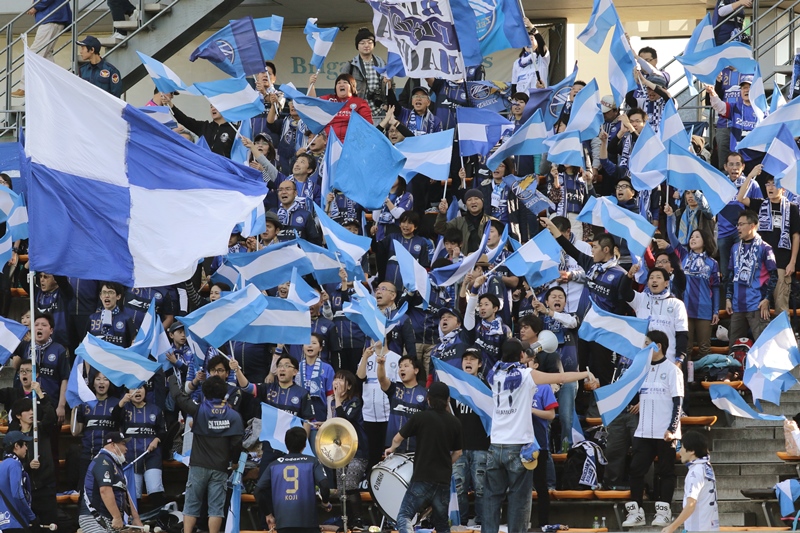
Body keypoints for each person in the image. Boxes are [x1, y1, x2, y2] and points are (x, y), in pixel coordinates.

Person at [482, 338, 596, 533]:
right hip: (519, 446)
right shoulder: (526, 375)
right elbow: (560, 377)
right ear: (521, 355)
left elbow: (513, 363)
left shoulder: (494, 374)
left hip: (496, 444)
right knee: (519, 500)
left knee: (491, 498)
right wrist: (585, 373)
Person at [622, 330, 683, 528]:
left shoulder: (673, 370)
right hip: (643, 431)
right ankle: (636, 512)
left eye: (647, 343)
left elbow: (678, 402)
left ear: (658, 346)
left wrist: (672, 428)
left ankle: (664, 512)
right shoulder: (642, 369)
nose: (643, 347)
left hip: (665, 432)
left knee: (665, 471)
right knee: (635, 469)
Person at [170, 376, 244, 533]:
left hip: (198, 465)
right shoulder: (233, 415)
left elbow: (178, 396)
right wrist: (234, 461)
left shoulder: (199, 410)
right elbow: (237, 443)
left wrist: (171, 378)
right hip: (220, 467)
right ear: (224, 392)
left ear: (205, 391)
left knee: (191, 504)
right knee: (216, 508)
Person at [386, 382, 462, 533]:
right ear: (448, 400)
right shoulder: (455, 422)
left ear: (428, 398)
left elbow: (397, 438)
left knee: (404, 516)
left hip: (422, 477)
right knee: (442, 524)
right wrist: (445, 464)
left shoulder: (420, 417)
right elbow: (458, 452)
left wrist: (391, 449)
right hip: (443, 481)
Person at [740, 170, 800, 315]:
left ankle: (783, 330)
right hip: (760, 262)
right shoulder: (761, 205)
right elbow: (740, 198)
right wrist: (750, 176)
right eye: (768, 184)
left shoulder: (791, 208)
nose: (770, 187)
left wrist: (792, 262)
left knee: (781, 306)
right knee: (760, 305)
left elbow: (796, 236)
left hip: (782, 262)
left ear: (783, 189)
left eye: (775, 184)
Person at [259, 427, 330, 533]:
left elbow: (258, 490)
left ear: (285, 444)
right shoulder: (312, 461)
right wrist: (325, 502)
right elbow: (324, 484)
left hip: (283, 524)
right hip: (308, 524)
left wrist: (268, 514)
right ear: (305, 444)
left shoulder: (274, 465)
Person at [725, 210, 777, 346]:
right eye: (737, 225)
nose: (738, 228)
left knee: (763, 347)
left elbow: (774, 276)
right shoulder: (734, 248)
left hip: (757, 305)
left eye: (741, 224)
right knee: (734, 348)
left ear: (753, 225)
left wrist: (767, 299)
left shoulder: (765, 248)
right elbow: (731, 274)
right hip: (737, 305)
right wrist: (728, 298)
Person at [451, 348, 489, 527]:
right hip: (459, 447)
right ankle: (461, 522)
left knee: (481, 488)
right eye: (465, 358)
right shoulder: (454, 387)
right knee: (459, 488)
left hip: (481, 446)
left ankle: (482, 523)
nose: (468, 362)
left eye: (473, 359)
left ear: (479, 364)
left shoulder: (486, 387)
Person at [8, 396, 58, 528]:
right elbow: (10, 464)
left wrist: (42, 396)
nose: (31, 412)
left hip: (45, 487)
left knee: (50, 526)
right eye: (27, 410)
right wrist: (28, 466)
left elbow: (51, 417)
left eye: (32, 409)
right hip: (25, 491)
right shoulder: (13, 437)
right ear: (18, 415)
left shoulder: (41, 429)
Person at [78, 431, 142, 533]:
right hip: (94, 518)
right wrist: (117, 517)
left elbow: (125, 494)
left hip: (109, 518)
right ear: (113, 445)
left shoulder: (115, 465)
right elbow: (105, 490)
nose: (126, 449)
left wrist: (136, 518)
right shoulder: (103, 461)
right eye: (123, 444)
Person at [661, 431, 719, 533]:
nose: (679, 451)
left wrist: (672, 527)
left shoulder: (695, 472)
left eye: (682, 447)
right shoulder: (706, 466)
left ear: (692, 451)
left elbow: (691, 504)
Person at [332, 370, 369, 529]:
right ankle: (346, 519)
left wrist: (337, 400)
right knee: (341, 489)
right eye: (335, 379)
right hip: (341, 452)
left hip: (358, 451)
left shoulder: (355, 402)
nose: (336, 382)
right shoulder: (335, 403)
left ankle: (358, 520)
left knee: (350, 484)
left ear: (349, 386)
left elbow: (345, 421)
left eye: (341, 380)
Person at [13, 0, 72, 97]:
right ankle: (54, 87)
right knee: (46, 55)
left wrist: (36, 7)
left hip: (50, 16)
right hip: (54, 16)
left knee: (33, 54)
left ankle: (24, 88)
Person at [377, 351, 427, 453]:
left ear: (416, 370)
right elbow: (382, 379)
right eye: (400, 366)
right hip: (392, 447)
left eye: (406, 366)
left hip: (415, 448)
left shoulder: (425, 394)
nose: (402, 369)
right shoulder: (394, 389)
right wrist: (381, 365)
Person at [340, 27, 391, 121]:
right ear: (357, 46)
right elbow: (340, 88)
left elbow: (391, 87)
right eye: (362, 43)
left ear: (374, 45)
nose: (366, 45)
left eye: (370, 42)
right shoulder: (351, 65)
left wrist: (387, 105)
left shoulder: (382, 64)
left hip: (379, 113)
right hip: (357, 113)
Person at [308, 72, 373, 141]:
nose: (341, 84)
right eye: (338, 83)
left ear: (352, 86)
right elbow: (312, 103)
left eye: (345, 82)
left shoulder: (360, 103)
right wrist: (311, 84)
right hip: (329, 142)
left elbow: (368, 126)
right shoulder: (329, 99)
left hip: (351, 143)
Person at [0, 431, 37, 533]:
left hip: (4, 523)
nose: (26, 448)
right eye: (24, 445)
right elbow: (17, 494)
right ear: (16, 446)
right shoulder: (15, 464)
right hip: (17, 522)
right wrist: (32, 517)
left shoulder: (2, 465)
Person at [88, 281, 136, 347]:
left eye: (111, 292)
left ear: (118, 296)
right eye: (104, 292)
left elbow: (133, 343)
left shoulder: (126, 319)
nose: (107, 296)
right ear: (100, 296)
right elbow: (86, 342)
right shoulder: (92, 318)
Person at [511, 24, 549, 92]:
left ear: (537, 42)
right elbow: (514, 85)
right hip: (522, 98)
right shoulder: (517, 63)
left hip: (538, 97)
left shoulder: (542, 58)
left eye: (531, 39)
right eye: (526, 40)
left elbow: (542, 45)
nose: (528, 42)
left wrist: (531, 26)